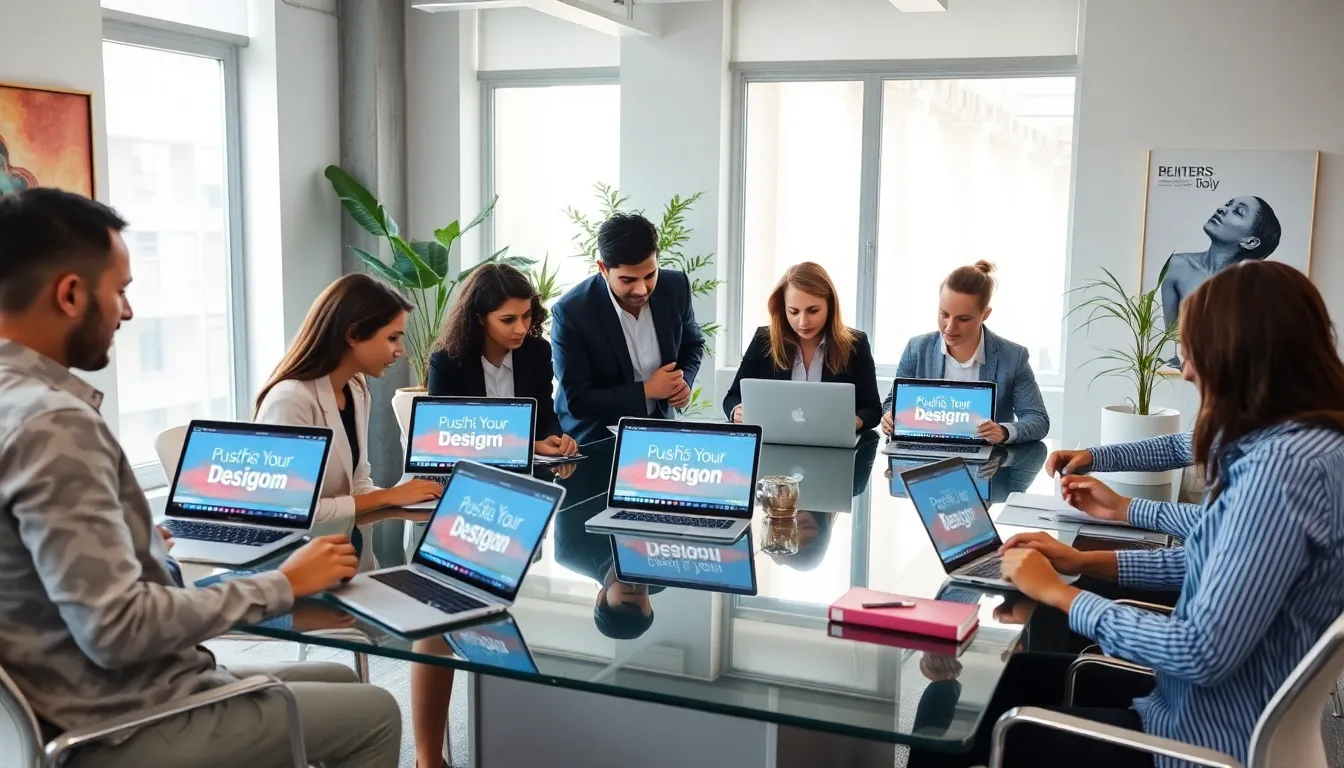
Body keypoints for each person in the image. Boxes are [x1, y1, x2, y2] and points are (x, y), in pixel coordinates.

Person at [0, 188, 399, 767]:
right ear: (70, 294)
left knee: (339, 678)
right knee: (376, 713)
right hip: (121, 718)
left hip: (68, 698)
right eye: (120, 291)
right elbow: (117, 630)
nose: (127, 313)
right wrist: (283, 583)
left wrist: (134, 546)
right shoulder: (54, 423)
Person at [913, 260, 1344, 768]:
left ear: (1240, 355)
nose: (1186, 370)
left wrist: (1059, 593)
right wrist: (1082, 563)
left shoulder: (1282, 471)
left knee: (957, 715)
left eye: (1193, 353)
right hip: (1187, 709)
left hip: (1189, 744)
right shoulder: (1303, 444)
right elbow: (1211, 557)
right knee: (993, 682)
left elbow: (1198, 651)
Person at [254, 274, 443, 519]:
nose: (400, 350)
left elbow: (358, 484)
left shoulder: (356, 389)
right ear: (352, 335)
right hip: (305, 542)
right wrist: (389, 496)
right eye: (392, 338)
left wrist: (411, 506)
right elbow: (288, 509)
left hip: (343, 536)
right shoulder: (290, 400)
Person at [550, 212, 705, 444]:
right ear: (603, 268)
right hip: (596, 440)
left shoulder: (675, 287)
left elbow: (693, 345)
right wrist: (647, 390)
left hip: (659, 432)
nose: (641, 289)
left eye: (650, 275)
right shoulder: (572, 312)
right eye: (628, 280)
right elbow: (578, 401)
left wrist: (682, 383)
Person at [880, 261, 1048, 444]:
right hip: (924, 453)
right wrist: (890, 417)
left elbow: (1037, 419)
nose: (949, 328)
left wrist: (1004, 432)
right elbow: (892, 403)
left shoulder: (1013, 357)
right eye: (944, 314)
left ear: (985, 314)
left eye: (963, 319)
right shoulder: (917, 349)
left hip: (989, 457)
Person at [427, 262, 577, 457]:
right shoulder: (447, 362)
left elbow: (544, 415)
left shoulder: (537, 352)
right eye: (508, 320)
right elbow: (446, 438)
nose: (521, 329)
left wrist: (557, 440)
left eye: (526, 316)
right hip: (467, 467)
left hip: (528, 471)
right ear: (480, 318)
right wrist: (529, 446)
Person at [722, 261, 881, 431]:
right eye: (794, 312)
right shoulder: (763, 340)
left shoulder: (855, 344)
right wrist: (736, 411)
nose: (803, 322)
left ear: (829, 306)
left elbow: (872, 409)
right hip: (774, 440)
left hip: (831, 443)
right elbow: (732, 397)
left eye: (813, 311)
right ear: (783, 309)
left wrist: (856, 421)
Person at [1160, 196, 1281, 366]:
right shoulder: (1176, 266)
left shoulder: (1254, 290)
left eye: (1238, 212)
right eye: (1227, 204)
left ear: (1251, 241)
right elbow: (1172, 338)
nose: (1222, 209)